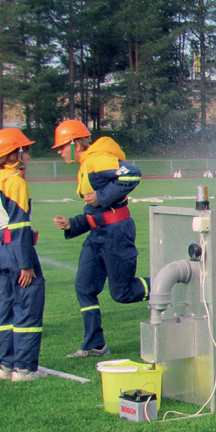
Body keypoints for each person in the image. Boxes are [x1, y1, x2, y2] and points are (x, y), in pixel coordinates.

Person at [50, 119, 149, 357]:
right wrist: (72, 224)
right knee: (84, 286)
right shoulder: (85, 165)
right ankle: (95, 344)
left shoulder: (96, 159)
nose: (60, 152)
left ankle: (165, 285)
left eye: (62, 147)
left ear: (75, 143)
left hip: (117, 235)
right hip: (98, 236)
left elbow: (133, 175)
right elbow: (96, 213)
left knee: (122, 294)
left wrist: (102, 196)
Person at [0, 128, 47, 382]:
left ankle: (5, 366)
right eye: (26, 150)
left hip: (0, 250)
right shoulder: (15, 182)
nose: (29, 156)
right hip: (17, 251)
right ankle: (25, 369)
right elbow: (20, 225)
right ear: (17, 153)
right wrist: (26, 264)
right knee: (27, 308)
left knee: (6, 310)